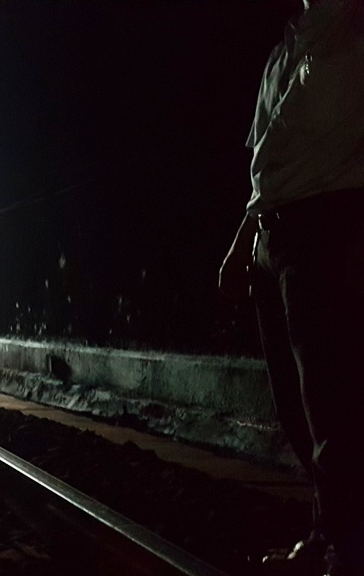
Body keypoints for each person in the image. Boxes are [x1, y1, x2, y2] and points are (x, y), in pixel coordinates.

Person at [219, 1, 364, 574]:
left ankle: (349, 551)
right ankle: (327, 533)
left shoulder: (353, 30)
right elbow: (264, 167)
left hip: (328, 229)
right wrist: (242, 245)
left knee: (333, 403)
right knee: (297, 407)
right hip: (273, 238)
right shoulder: (283, 51)